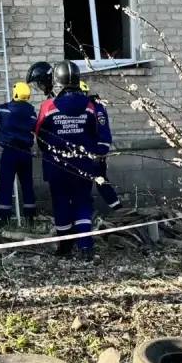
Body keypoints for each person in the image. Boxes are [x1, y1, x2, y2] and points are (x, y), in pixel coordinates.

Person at [35, 61, 108, 262]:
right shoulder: (92, 106)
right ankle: (85, 246)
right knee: (82, 201)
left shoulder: (48, 106)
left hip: (56, 166)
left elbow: (40, 136)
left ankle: (65, 246)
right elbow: (101, 136)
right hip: (83, 165)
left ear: (57, 82)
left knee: (60, 203)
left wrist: (51, 152)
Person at [0, 81, 38, 226]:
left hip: (10, 152)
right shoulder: (31, 112)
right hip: (26, 153)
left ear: (15, 93)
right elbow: (36, 127)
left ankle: (4, 218)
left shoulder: (5, 109)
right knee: (27, 184)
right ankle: (30, 218)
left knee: (6, 185)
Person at [80, 79, 121, 212]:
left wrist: (98, 151)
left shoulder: (92, 108)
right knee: (101, 181)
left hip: (94, 152)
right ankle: (117, 208)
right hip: (97, 151)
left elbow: (100, 130)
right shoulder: (96, 106)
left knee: (87, 183)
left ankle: (87, 213)